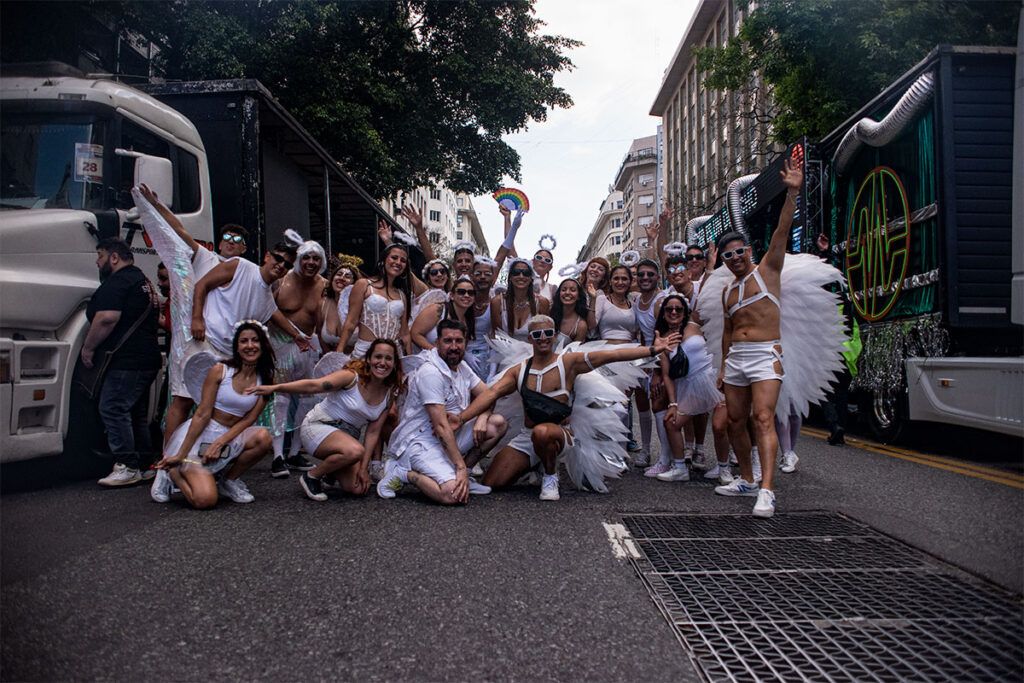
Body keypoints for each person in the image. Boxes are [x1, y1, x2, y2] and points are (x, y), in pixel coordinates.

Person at [454, 315, 681, 501]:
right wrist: (461, 418)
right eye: (537, 334)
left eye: (548, 333)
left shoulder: (569, 363)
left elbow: (614, 354)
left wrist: (652, 349)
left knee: (544, 432)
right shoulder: (519, 370)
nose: (543, 338)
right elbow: (491, 393)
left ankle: (551, 476)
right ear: (531, 339)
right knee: (493, 483)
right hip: (527, 436)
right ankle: (536, 464)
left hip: (560, 435)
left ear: (553, 336)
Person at [713, 157, 803, 518]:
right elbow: (727, 332)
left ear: (748, 252)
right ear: (722, 259)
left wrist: (792, 192)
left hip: (766, 354)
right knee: (735, 421)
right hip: (736, 359)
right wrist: (722, 366)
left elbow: (782, 229)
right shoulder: (727, 292)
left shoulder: (768, 269)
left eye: (739, 252)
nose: (734, 258)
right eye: (728, 255)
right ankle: (747, 478)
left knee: (763, 418)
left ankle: (766, 490)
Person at [163, 240, 302, 441]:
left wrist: (299, 336)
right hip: (203, 341)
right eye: (279, 259)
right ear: (267, 256)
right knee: (183, 401)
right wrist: (197, 318)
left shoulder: (267, 300)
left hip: (227, 358)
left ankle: (196, 459)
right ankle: (166, 464)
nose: (281, 265)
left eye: (287, 264)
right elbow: (202, 284)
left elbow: (278, 318)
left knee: (211, 408)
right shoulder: (240, 266)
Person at [248, 339, 402, 502]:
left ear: (394, 364)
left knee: (357, 488)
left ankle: (332, 471)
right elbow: (314, 386)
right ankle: (312, 476)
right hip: (318, 426)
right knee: (354, 451)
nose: (382, 363)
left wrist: (364, 469)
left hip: (345, 439)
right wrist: (276, 387)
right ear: (369, 359)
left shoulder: (389, 393)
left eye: (388, 358)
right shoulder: (351, 377)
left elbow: (373, 433)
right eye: (378, 357)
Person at [376, 320, 506, 505]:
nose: (454, 346)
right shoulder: (430, 372)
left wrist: (482, 418)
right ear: (437, 343)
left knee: (497, 423)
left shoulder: (461, 366)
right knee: (452, 495)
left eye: (459, 341)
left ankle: (464, 477)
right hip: (421, 442)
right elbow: (441, 426)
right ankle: (403, 473)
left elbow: (488, 396)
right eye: (448, 341)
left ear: (465, 343)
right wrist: (459, 465)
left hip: (450, 436)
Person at [151, 321, 274, 507]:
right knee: (205, 500)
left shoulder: (265, 378)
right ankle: (174, 473)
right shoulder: (220, 371)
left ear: (263, 345)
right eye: (244, 341)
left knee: (263, 437)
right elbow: (202, 414)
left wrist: (221, 442)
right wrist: (181, 453)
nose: (250, 346)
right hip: (201, 435)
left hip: (230, 436)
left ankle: (229, 481)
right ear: (236, 346)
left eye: (255, 340)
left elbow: (249, 418)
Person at [84, 238, 162, 487]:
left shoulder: (118, 281)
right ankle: (145, 464)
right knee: (136, 412)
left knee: (113, 407)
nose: (98, 262)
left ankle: (127, 465)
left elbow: (107, 317)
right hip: (147, 358)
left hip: (128, 359)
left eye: (100, 255)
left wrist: (88, 347)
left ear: (114, 257)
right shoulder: (143, 281)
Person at [267, 231, 328, 478]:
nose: (311, 263)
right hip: (279, 344)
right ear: (299, 259)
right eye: (306, 258)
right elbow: (268, 309)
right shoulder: (283, 280)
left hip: (308, 348)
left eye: (315, 258)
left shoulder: (324, 286)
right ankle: (277, 455)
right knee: (280, 399)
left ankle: (294, 451)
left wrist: (324, 350)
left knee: (307, 398)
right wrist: (294, 334)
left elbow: (324, 323)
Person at [653, 297, 729, 484]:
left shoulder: (695, 324)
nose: (673, 312)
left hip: (713, 381)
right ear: (663, 313)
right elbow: (667, 376)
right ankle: (679, 468)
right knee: (671, 422)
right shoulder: (661, 340)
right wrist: (672, 403)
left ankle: (724, 468)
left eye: (678, 309)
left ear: (685, 312)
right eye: (669, 309)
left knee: (720, 426)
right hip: (689, 387)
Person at [337, 244, 412, 357]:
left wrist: (409, 359)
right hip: (365, 353)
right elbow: (351, 322)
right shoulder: (364, 285)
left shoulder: (402, 295)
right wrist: (339, 352)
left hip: (392, 356)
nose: (398, 262)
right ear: (384, 260)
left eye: (403, 260)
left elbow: (405, 333)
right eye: (394, 257)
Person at [630, 259, 667, 466]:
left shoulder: (661, 300)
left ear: (657, 277)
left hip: (660, 361)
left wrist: (659, 372)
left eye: (650, 274)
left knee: (659, 406)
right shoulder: (636, 301)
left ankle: (665, 457)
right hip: (643, 359)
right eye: (641, 274)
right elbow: (643, 335)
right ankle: (645, 451)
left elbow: (664, 337)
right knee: (642, 406)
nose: (645, 278)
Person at [411, 276, 476, 352]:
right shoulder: (437, 310)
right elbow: (415, 333)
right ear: (451, 296)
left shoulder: (468, 319)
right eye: (461, 292)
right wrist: (435, 352)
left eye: (471, 293)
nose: (466, 295)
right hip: (426, 357)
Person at [491, 259, 550, 342]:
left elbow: (545, 336)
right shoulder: (497, 302)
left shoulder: (542, 302)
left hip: (532, 352)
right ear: (510, 277)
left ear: (531, 278)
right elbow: (496, 334)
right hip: (503, 351)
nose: (521, 276)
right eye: (516, 272)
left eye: (526, 273)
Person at [466, 256, 498, 381]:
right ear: (472, 276)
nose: (483, 277)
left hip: (487, 358)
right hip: (462, 356)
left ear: (493, 278)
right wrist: (464, 355)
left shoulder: (496, 303)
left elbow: (496, 336)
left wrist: (493, 368)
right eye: (478, 274)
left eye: (487, 274)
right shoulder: (463, 299)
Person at [319, 263, 358, 352]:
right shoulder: (322, 304)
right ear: (332, 279)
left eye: (347, 276)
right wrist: (331, 359)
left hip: (356, 361)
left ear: (354, 284)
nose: (341, 278)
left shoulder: (361, 307)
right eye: (339, 274)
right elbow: (319, 334)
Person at [550, 279, 589, 347]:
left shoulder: (580, 325)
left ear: (579, 296)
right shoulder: (549, 312)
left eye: (573, 290)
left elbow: (575, 354)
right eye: (564, 290)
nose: (567, 292)